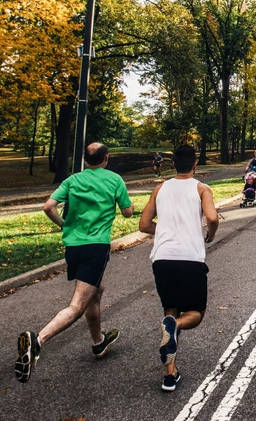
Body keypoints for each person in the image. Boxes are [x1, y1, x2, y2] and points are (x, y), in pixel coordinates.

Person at [14, 142, 135, 384]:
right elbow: (128, 212)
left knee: (96, 291)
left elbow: (48, 206)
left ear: (84, 159)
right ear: (106, 158)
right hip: (95, 247)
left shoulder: (72, 180)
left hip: (73, 247)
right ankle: (37, 342)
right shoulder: (113, 179)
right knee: (77, 304)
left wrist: (64, 224)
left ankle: (98, 343)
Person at [139, 143, 220, 392]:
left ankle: (169, 374)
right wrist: (210, 234)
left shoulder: (160, 188)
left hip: (162, 258)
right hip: (190, 258)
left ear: (173, 164)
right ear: (195, 164)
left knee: (170, 310)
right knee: (194, 313)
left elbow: (143, 224)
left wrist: (163, 231)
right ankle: (177, 328)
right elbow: (213, 218)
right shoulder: (201, 188)